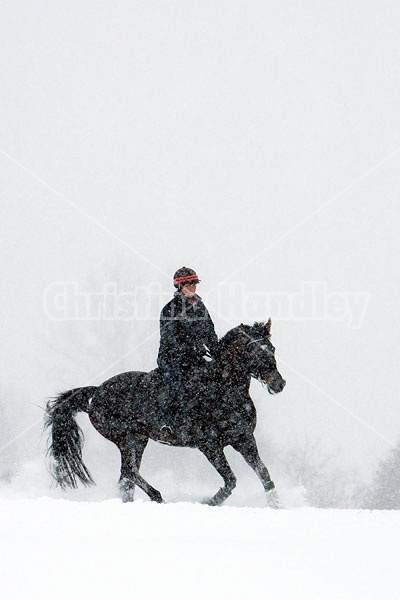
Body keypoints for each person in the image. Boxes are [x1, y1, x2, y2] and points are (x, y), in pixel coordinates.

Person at [157, 266, 219, 441]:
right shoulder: (170, 309)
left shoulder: (200, 307)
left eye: (194, 284)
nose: (192, 287)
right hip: (172, 359)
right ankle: (166, 424)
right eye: (188, 284)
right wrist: (192, 348)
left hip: (195, 357)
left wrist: (218, 352)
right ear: (179, 287)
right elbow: (170, 339)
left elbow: (210, 332)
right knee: (175, 381)